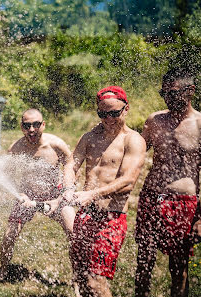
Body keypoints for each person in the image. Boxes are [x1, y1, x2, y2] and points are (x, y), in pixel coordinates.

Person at [64, 86, 146, 297]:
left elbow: (128, 181)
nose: (108, 118)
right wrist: (68, 186)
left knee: (95, 281)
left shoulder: (133, 140)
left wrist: (91, 194)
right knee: (81, 276)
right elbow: (72, 163)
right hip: (85, 215)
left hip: (111, 218)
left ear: (126, 109)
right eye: (102, 114)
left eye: (114, 113)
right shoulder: (89, 137)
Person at [135, 68, 201, 297]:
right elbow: (135, 155)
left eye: (173, 94)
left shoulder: (199, 124)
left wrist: (199, 218)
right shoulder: (155, 121)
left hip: (184, 202)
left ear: (190, 91)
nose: (167, 99)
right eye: (164, 94)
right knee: (143, 261)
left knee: (178, 266)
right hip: (151, 197)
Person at [0, 108, 74, 283]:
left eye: (36, 125)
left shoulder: (55, 144)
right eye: (27, 126)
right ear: (21, 127)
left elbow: (70, 162)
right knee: (9, 235)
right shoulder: (16, 148)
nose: (32, 130)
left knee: (74, 232)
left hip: (55, 194)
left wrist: (65, 190)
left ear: (43, 125)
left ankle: (78, 279)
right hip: (27, 195)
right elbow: (7, 175)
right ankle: (3, 272)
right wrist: (19, 193)